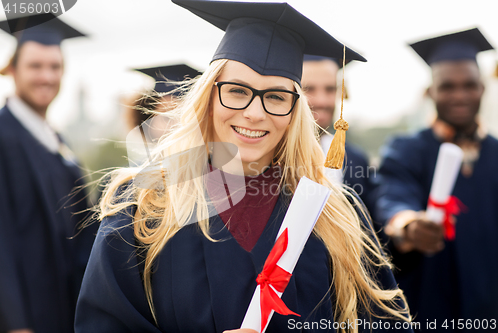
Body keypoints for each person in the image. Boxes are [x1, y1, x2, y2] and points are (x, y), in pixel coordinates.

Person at [75, 1, 413, 332]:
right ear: (208, 97)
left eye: (276, 96)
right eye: (237, 91)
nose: (254, 112)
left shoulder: (334, 216)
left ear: (296, 112)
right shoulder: (145, 205)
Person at [375, 27, 498, 331]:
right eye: (447, 86)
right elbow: (392, 194)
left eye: (469, 85)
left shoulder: (496, 152)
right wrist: (409, 224)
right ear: (430, 92)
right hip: (429, 309)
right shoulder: (407, 150)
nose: (459, 95)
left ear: (483, 88)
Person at [0, 13, 96, 333]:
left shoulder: (56, 142)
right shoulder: (1, 136)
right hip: (24, 318)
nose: (46, 76)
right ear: (12, 69)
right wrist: (13, 322)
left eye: (54, 67)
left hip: (62, 310)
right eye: (35, 66)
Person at [302, 55, 377, 216]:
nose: (322, 101)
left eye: (330, 89)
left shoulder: (354, 159)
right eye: (308, 89)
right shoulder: (268, 159)